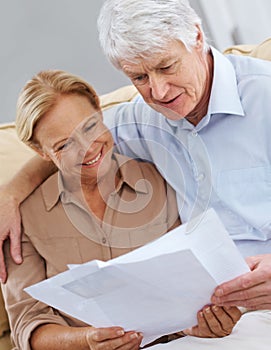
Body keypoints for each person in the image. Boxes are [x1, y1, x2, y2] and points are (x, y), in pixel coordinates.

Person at [0, 0, 271, 347]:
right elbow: (69, 143)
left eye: (167, 66)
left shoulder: (263, 95)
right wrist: (10, 193)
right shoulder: (144, 119)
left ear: (198, 37)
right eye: (139, 77)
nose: (158, 92)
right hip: (212, 320)